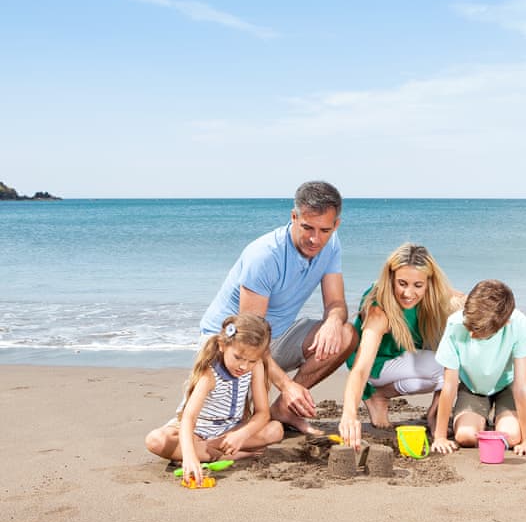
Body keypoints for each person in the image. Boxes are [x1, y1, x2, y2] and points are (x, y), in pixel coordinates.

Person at [199, 181, 357, 434]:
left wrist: (333, 322)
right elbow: (250, 336)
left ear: (335, 225)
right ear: (294, 217)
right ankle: (272, 403)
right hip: (231, 344)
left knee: (346, 334)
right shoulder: (264, 256)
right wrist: (286, 385)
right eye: (307, 227)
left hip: (277, 335)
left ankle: (284, 409)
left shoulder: (331, 244)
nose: (315, 239)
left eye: (324, 230)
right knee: (236, 428)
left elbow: (336, 303)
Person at [339, 243, 462, 449]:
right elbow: (360, 369)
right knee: (453, 366)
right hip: (375, 365)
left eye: (417, 285)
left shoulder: (433, 290)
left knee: (428, 378)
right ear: (391, 279)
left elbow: (470, 302)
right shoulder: (380, 310)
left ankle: (386, 398)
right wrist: (349, 415)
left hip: (399, 358)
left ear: (428, 282)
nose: (408, 293)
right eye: (402, 283)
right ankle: (373, 394)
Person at [145, 314, 284, 485]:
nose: (243, 366)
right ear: (222, 345)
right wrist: (189, 457)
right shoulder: (209, 374)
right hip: (195, 432)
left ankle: (208, 453)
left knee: (275, 430)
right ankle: (230, 454)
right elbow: (189, 418)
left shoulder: (256, 367)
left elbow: (262, 413)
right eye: (238, 357)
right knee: (156, 440)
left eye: (251, 361)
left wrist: (241, 435)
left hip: (228, 431)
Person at [431, 279, 526, 457]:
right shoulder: (455, 324)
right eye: (470, 325)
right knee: (465, 437)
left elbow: (521, 386)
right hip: (473, 387)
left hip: (508, 385)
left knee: (511, 437)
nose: (472, 333)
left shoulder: (518, 323)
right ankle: (483, 417)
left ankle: (502, 417)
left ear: (504, 323)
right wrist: (440, 437)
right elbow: (449, 385)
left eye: (479, 330)